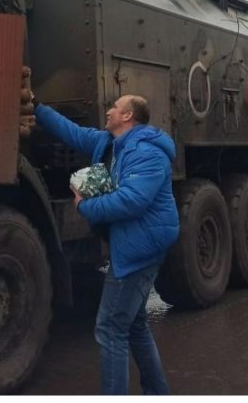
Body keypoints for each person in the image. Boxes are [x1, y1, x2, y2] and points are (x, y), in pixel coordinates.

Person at [34, 94, 179, 395]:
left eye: (115, 107)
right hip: (134, 243)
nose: (109, 110)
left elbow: (132, 201)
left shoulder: (146, 151)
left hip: (140, 249)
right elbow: (71, 132)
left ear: (127, 116)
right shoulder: (110, 143)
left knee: (110, 328)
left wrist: (84, 207)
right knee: (134, 324)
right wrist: (36, 107)